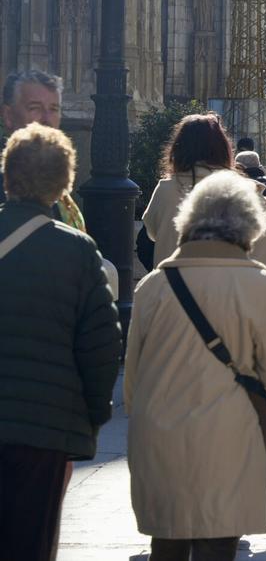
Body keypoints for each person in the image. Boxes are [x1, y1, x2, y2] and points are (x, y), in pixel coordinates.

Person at [125, 171, 266, 561]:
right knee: (218, 544)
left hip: (160, 438)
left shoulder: (153, 286)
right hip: (232, 439)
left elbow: (132, 384)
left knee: (166, 544)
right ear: (251, 225)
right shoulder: (262, 286)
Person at [0, 124, 122, 561]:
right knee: (29, 543)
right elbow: (102, 346)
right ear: (63, 183)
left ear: (8, 176)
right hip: (42, 431)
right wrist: (89, 415)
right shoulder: (78, 251)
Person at [143, 114, 266, 287]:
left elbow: (152, 233)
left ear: (178, 149)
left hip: (174, 295)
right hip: (234, 297)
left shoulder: (165, 190)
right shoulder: (246, 192)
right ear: (224, 149)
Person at [0, 70, 85, 229]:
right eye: (35, 108)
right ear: (8, 115)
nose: (46, 119)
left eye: (53, 109)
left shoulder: (55, 172)